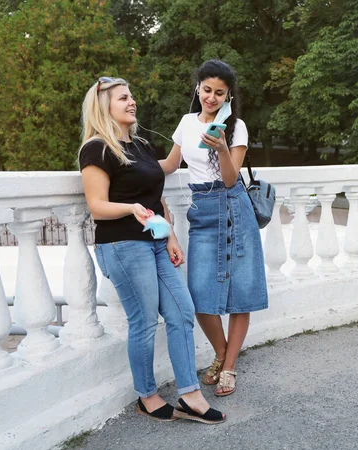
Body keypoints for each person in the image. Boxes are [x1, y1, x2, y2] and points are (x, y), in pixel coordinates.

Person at [78, 76, 225, 424]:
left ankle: (190, 396)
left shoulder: (141, 145)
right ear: (104, 107)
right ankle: (147, 395)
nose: (132, 102)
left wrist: (170, 234)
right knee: (143, 322)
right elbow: (97, 206)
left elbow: (154, 193)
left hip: (156, 242)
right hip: (123, 245)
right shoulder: (97, 149)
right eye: (122, 98)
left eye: (131, 96)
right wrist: (129, 209)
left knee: (182, 312)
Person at [160, 60, 268, 397]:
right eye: (207, 90)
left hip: (234, 207)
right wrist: (130, 161)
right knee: (199, 294)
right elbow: (169, 164)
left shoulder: (237, 128)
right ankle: (221, 353)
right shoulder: (186, 123)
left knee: (241, 293)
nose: (211, 97)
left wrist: (221, 147)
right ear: (198, 88)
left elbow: (231, 177)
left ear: (228, 96)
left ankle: (229, 366)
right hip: (202, 212)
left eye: (219, 93)